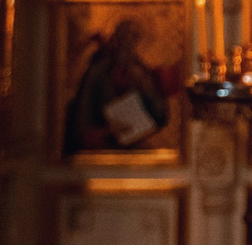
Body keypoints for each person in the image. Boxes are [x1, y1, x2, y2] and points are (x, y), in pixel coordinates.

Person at [64, 18, 177, 156]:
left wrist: (145, 87)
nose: (127, 43)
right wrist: (102, 132)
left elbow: (159, 115)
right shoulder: (97, 72)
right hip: (101, 148)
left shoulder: (143, 73)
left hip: (135, 146)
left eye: (133, 37)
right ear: (117, 38)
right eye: (124, 36)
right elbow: (83, 114)